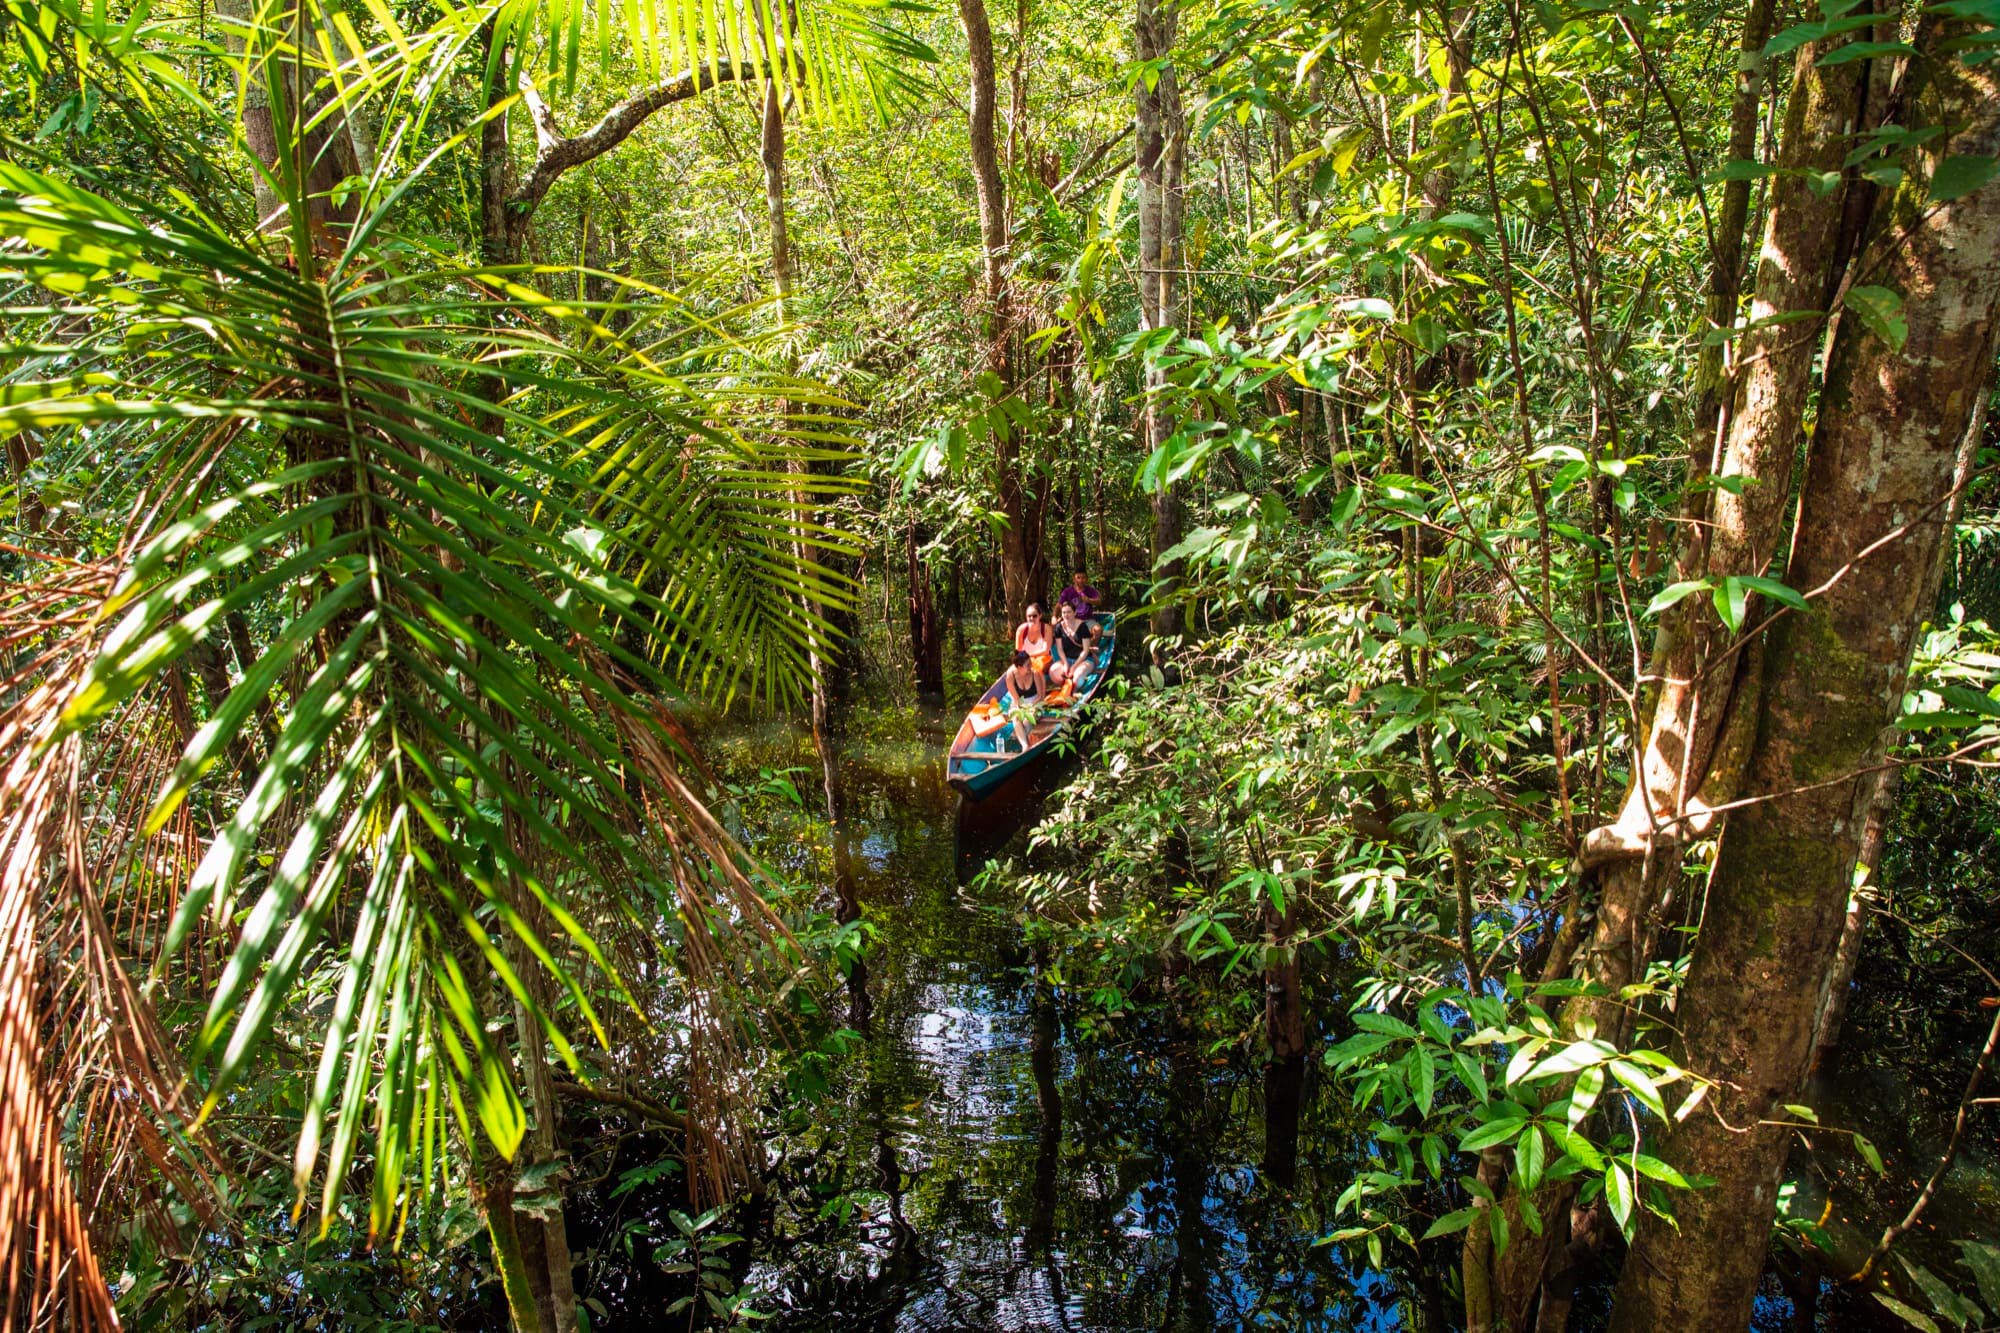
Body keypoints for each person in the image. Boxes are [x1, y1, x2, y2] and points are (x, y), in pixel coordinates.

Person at [1001, 649, 1046, 749]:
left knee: (1026, 720)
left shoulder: (1034, 674)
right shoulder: (1010, 675)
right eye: (1028, 665)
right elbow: (1016, 699)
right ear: (1019, 667)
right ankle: (1025, 746)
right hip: (1019, 703)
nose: (1031, 667)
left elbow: (1040, 696)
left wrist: (1030, 708)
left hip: (1035, 702)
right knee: (1016, 718)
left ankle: (1018, 739)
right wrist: (1021, 709)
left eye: (1030, 664)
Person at [1050, 601, 1098, 686]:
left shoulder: (1082, 626)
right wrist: (1065, 663)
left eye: (1069, 612)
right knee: (1053, 673)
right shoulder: (1059, 627)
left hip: (1083, 659)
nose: (1066, 615)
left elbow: (1086, 650)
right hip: (1067, 659)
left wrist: (1074, 667)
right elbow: (1060, 649)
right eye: (1064, 612)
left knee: (1077, 679)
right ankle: (1065, 688)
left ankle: (1075, 690)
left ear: (1074, 613)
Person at [1015, 602, 1055, 674]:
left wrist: (1028, 655)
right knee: (1012, 671)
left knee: (1036, 669)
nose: (1031, 618)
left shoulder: (1046, 629)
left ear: (1040, 615)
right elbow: (1018, 652)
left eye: (1034, 616)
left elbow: (1045, 651)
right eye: (1029, 616)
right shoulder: (1021, 630)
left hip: (1043, 660)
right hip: (1026, 660)